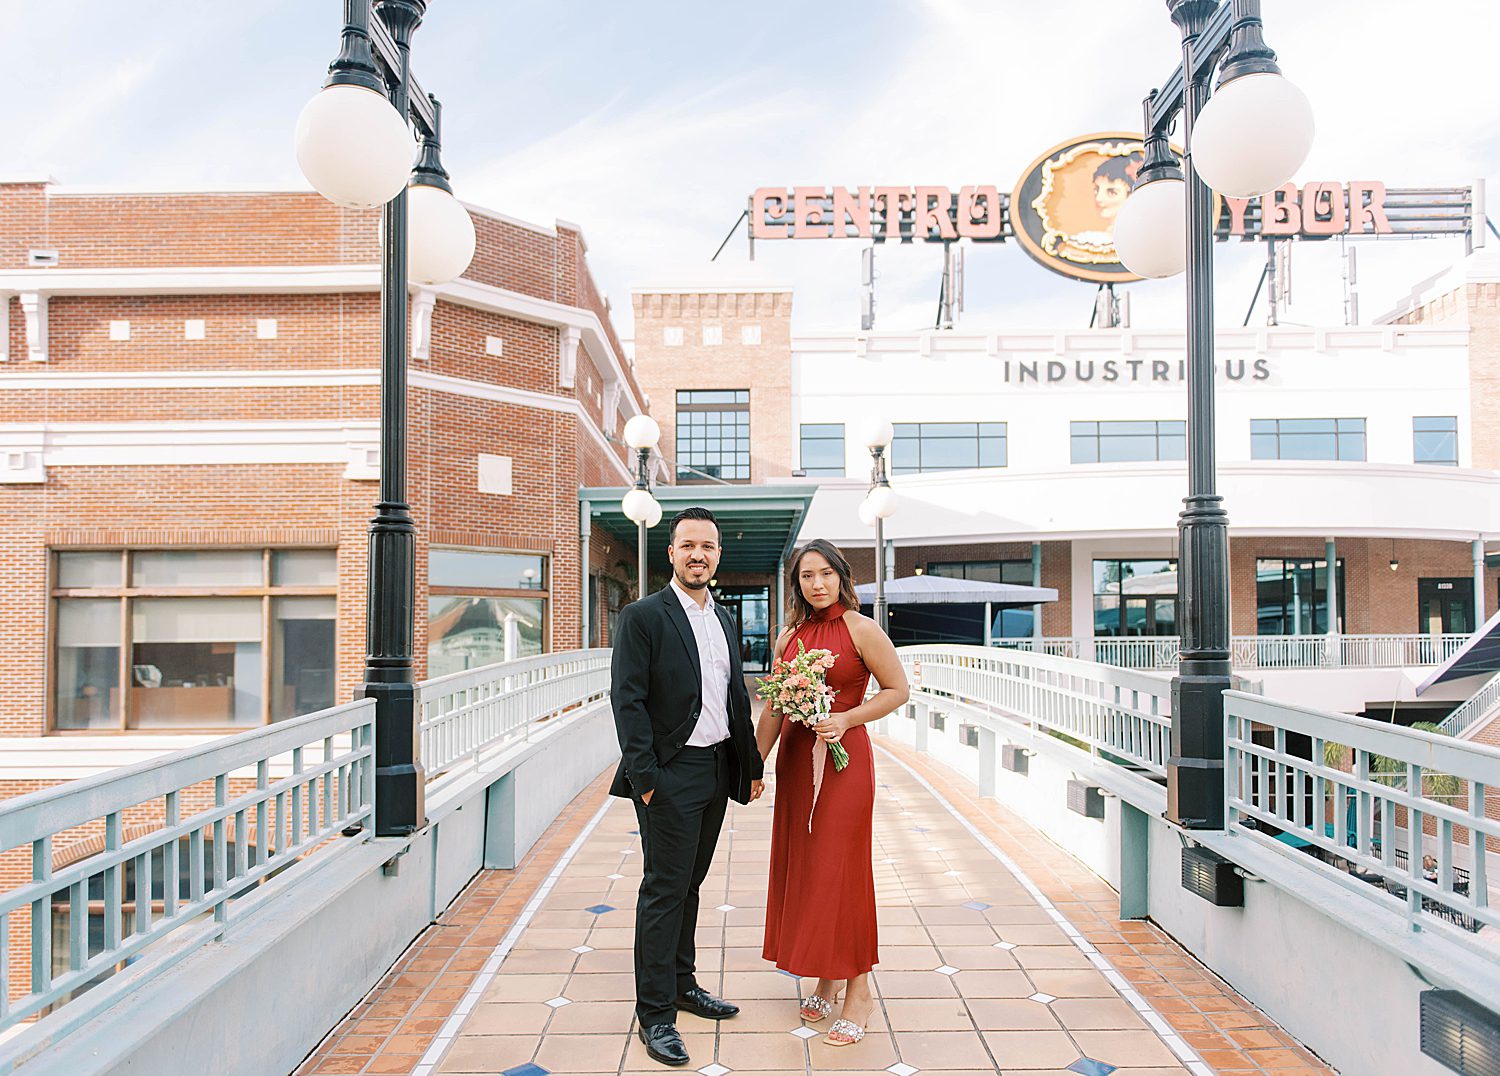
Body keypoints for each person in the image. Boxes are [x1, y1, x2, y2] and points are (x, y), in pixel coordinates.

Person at [609, 506, 766, 1068]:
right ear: (671, 552)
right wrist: (646, 778)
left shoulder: (723, 619)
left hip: (716, 769)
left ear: (718, 555)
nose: (699, 554)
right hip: (669, 775)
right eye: (688, 545)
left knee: (690, 885)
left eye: (709, 546)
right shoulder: (643, 616)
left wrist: (749, 767)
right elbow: (626, 701)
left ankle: (681, 983)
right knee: (663, 890)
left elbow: (734, 698)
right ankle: (655, 1014)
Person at [758, 539, 909, 1047]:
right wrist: (752, 764)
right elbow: (775, 708)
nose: (816, 584)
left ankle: (858, 989)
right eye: (806, 576)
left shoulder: (863, 630)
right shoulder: (789, 638)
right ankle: (825, 974)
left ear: (842, 577)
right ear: (796, 583)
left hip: (846, 765)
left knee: (842, 871)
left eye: (825, 574)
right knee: (809, 871)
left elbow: (897, 690)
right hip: (798, 764)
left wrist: (847, 716)